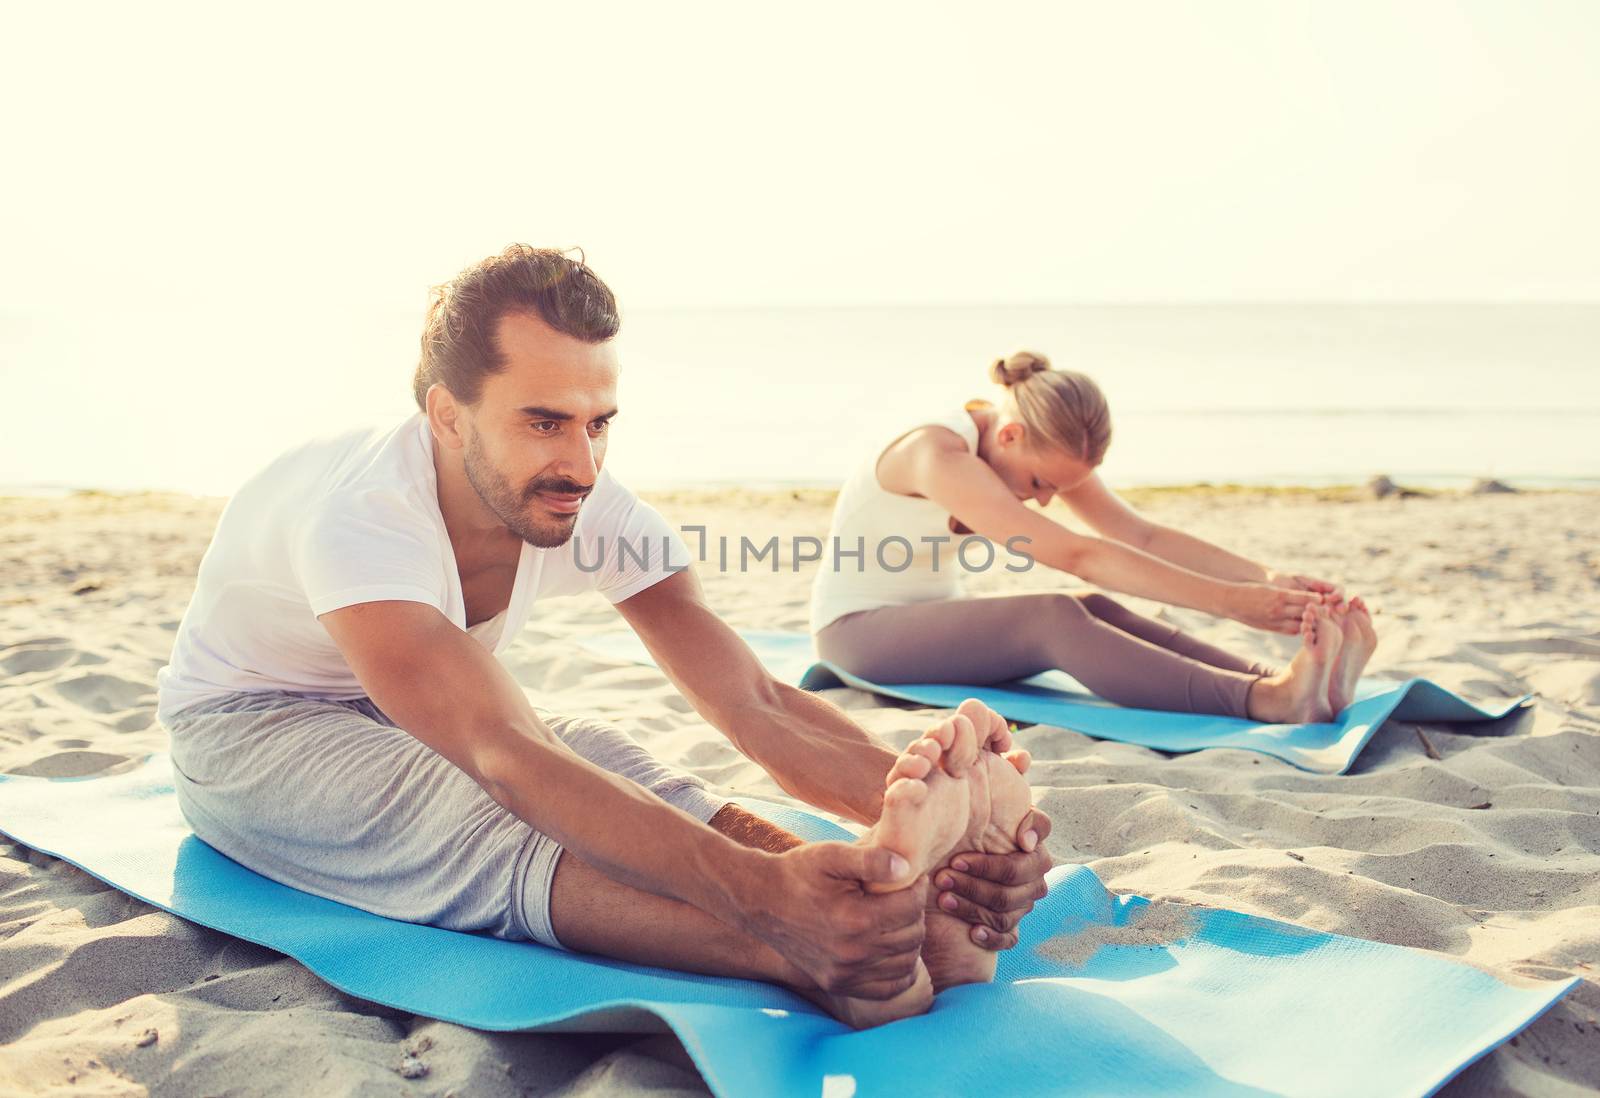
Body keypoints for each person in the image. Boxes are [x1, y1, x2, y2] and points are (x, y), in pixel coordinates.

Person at [154, 246, 1054, 1029]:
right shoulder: (361, 515)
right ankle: (808, 956)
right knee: (489, 807)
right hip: (250, 728)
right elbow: (499, 753)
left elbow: (752, 699)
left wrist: (931, 832)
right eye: (543, 422)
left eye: (599, 423)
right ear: (448, 415)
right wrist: (760, 903)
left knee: (602, 752)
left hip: (400, 707)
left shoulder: (587, 502)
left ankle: (886, 903)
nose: (580, 466)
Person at [811, 351, 1378, 724]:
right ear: (1009, 435)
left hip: (922, 624)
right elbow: (1077, 554)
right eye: (1040, 483)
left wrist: (1264, 580)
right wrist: (1231, 603)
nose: (1044, 499)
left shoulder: (1029, 443)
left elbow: (1139, 535)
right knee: (1053, 617)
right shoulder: (936, 456)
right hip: (857, 635)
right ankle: (1268, 702)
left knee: (1092, 607)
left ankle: (1292, 682)